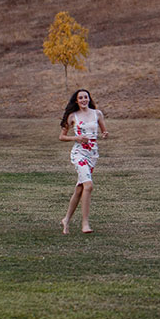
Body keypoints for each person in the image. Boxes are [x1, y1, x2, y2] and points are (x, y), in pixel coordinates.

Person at [59, 89, 108, 234]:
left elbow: (104, 130)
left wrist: (105, 134)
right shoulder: (72, 116)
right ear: (76, 101)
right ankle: (85, 223)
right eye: (80, 98)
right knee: (89, 185)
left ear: (89, 98)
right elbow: (61, 136)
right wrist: (76, 138)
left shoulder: (97, 113)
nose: (83, 100)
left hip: (92, 155)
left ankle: (66, 219)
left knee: (80, 189)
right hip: (79, 154)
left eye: (86, 97)